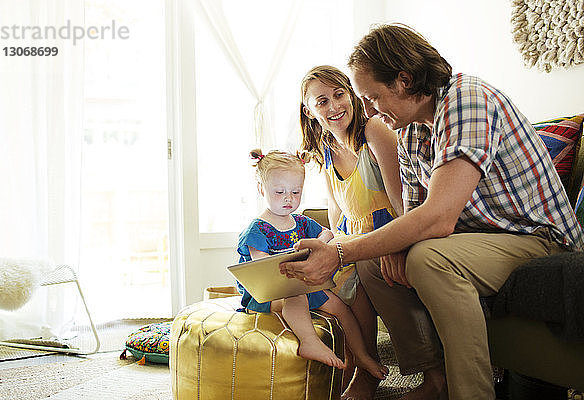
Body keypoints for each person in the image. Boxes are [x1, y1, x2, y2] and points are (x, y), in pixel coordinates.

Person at [281, 24, 584, 400]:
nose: (369, 110)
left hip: (538, 239)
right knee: (376, 263)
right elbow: (413, 214)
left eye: (372, 97)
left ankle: (470, 393)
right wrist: (385, 246)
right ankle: (433, 377)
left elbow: (437, 217)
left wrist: (342, 251)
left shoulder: (467, 100)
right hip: (480, 241)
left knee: (428, 259)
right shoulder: (410, 132)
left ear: (404, 81)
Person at [236, 148, 388, 381]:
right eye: (279, 192)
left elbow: (327, 233)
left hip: (305, 286)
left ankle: (362, 356)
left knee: (340, 307)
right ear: (261, 189)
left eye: (295, 192)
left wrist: (319, 243)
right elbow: (263, 271)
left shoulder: (301, 222)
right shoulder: (257, 229)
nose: (289, 198)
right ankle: (309, 342)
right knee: (294, 295)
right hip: (268, 295)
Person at [299, 65, 402, 399]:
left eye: (339, 94)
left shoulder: (374, 131)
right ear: (310, 111)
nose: (334, 107)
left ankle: (365, 369)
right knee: (319, 271)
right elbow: (336, 210)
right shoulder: (326, 148)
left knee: (349, 271)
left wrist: (400, 243)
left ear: (352, 93)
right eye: (322, 101)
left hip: (385, 230)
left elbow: (401, 198)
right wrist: (326, 242)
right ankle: (350, 358)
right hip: (350, 233)